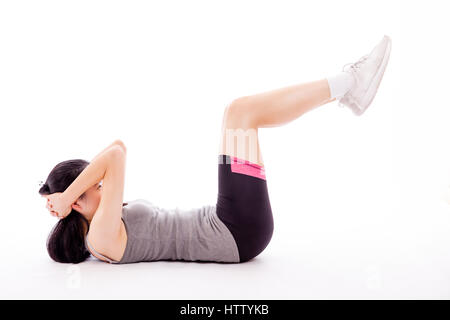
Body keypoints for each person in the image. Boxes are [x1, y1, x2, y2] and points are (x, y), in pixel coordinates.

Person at [40, 35, 392, 264]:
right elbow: (115, 157)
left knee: (236, 113)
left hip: (229, 224)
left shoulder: (104, 222)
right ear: (75, 203)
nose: (103, 187)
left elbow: (116, 146)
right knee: (241, 113)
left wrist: (70, 193)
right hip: (235, 231)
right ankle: (349, 85)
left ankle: (348, 90)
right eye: (95, 188)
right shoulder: (100, 237)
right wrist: (66, 193)